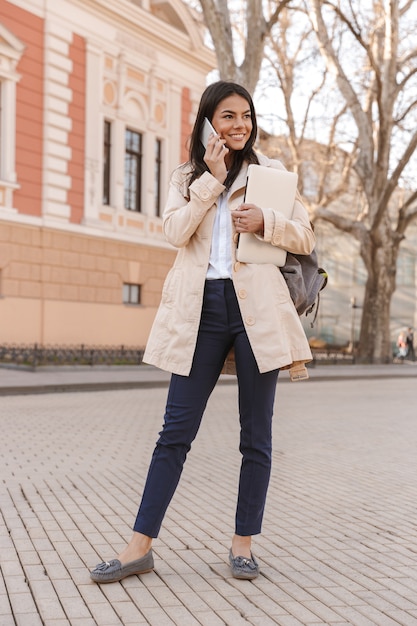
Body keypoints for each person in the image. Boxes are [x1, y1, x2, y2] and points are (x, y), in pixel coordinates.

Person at [90, 80, 315, 583]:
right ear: (209, 122)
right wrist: (211, 180)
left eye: (246, 116)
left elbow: (305, 235)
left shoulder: (271, 175)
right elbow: (173, 233)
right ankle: (138, 547)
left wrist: (267, 221)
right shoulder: (186, 175)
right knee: (174, 434)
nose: (239, 125)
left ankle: (242, 544)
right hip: (200, 311)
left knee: (256, 435)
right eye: (228, 116)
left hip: (255, 307)